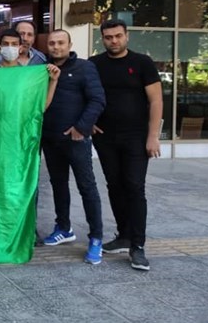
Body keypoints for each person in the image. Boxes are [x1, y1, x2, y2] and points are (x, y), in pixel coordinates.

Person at [90, 19, 162, 271]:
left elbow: (156, 101)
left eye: (118, 36)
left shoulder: (142, 63)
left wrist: (153, 136)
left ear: (127, 36)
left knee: (134, 187)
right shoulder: (94, 64)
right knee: (115, 185)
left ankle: (138, 246)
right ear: (102, 38)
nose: (114, 41)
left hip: (136, 137)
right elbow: (84, 93)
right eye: (108, 37)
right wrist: (89, 122)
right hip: (105, 137)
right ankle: (123, 235)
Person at [41, 29, 106, 265]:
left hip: (76, 141)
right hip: (51, 140)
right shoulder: (43, 69)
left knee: (87, 187)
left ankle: (96, 238)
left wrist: (82, 127)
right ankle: (64, 227)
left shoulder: (84, 68)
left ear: (69, 45)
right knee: (58, 185)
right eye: (52, 43)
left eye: (61, 43)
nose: (56, 47)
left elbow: (97, 100)